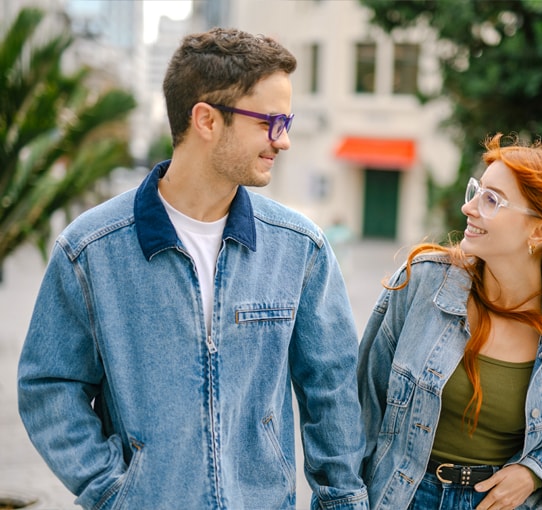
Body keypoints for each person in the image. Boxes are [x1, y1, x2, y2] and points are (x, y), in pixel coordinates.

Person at [18, 28, 368, 510]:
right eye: (270, 121)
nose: (282, 140)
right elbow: (50, 387)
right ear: (205, 119)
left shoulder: (299, 248)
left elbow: (332, 390)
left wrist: (344, 502)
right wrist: (114, 492)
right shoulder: (90, 251)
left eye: (286, 121)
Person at [357, 133, 542, 510]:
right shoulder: (423, 283)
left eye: (492, 200)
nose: (469, 208)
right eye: (477, 190)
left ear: (540, 231)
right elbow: (362, 402)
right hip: (400, 497)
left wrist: (535, 473)